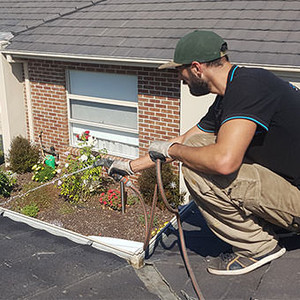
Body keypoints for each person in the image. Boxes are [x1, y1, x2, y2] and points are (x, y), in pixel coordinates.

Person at [108, 30, 300, 275]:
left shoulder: (248, 88)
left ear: (196, 68)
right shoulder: (233, 90)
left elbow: (223, 163)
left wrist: (176, 152)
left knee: (196, 165)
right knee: (199, 144)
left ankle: (258, 248)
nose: (180, 79)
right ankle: (274, 221)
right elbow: (186, 140)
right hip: (291, 186)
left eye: (181, 71)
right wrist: (129, 166)